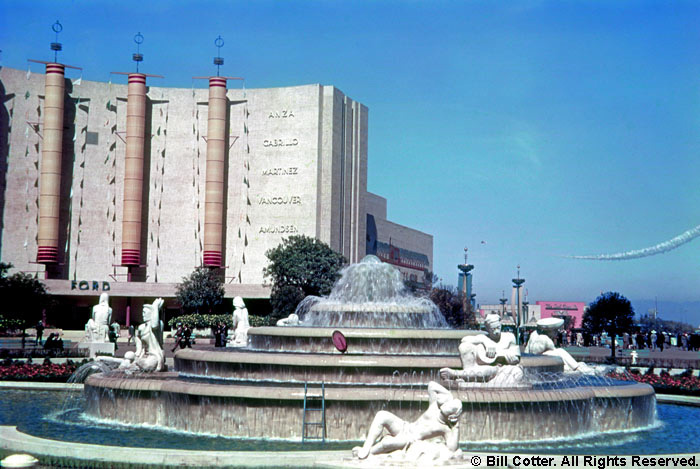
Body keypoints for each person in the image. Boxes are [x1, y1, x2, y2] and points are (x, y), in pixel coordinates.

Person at [353, 381, 462, 460]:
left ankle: (368, 453)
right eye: (449, 402)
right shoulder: (434, 406)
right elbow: (431, 385)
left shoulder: (446, 428)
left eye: (451, 407)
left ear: (452, 415)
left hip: (410, 439)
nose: (448, 404)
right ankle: (366, 447)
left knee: (388, 442)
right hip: (405, 426)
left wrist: (456, 426)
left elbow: (452, 448)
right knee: (382, 415)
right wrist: (449, 395)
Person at [440, 313, 522, 385]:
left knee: (491, 370)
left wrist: (500, 354)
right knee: (464, 346)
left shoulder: (509, 337)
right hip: (483, 367)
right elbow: (464, 339)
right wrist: (485, 341)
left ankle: (455, 374)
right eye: (493, 329)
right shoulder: (484, 337)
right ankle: (465, 377)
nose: (496, 331)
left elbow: (516, 358)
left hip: (501, 368)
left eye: (498, 327)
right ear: (487, 329)